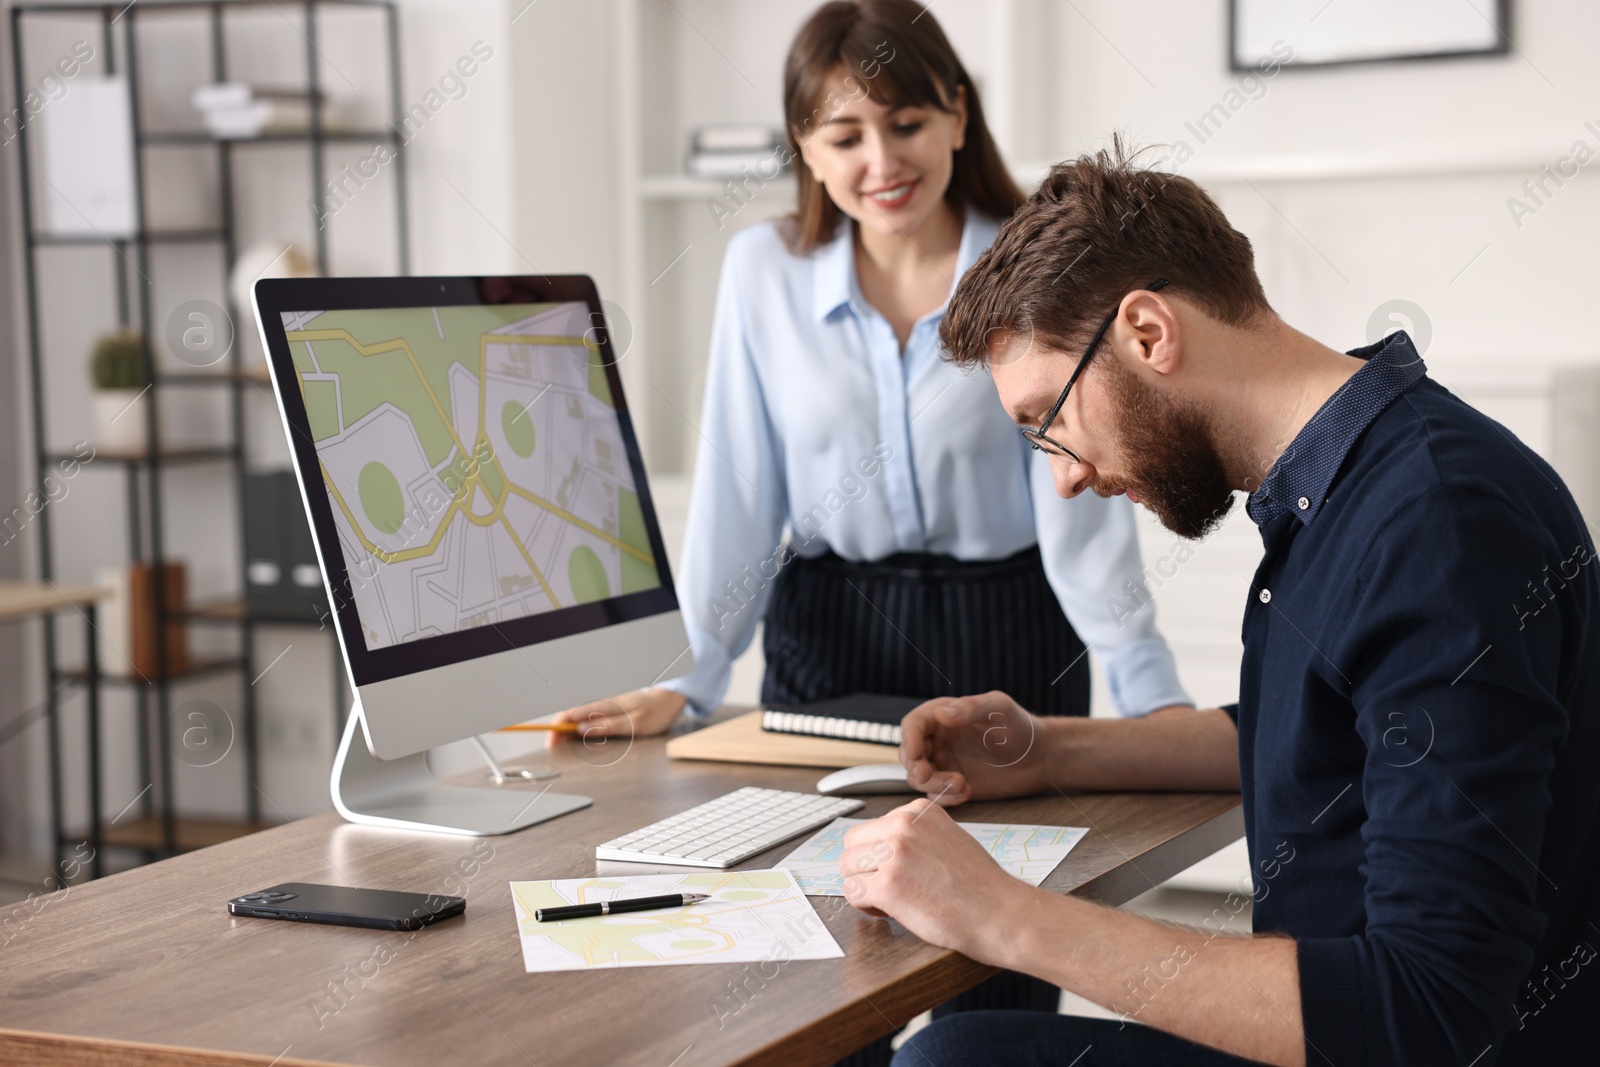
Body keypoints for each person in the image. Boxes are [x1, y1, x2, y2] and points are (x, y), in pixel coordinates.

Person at [835, 138, 1600, 1067]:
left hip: (1395, 1037)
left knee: (949, 1061)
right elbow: (1335, 731)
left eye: (1052, 425)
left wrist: (1001, 915)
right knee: (961, 1045)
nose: (1066, 481)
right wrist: (1049, 749)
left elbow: (1430, 1008)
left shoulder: (1437, 526)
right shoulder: (1351, 482)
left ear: (1149, 332)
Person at [550, 4, 1195, 1063]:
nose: (879, 160)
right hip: (827, 642)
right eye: (842, 136)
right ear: (804, 148)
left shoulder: (1033, 270)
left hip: (1010, 642)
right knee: (821, 979)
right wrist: (695, 673)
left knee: (994, 989)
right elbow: (738, 489)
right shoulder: (761, 274)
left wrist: (1149, 693)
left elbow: (1076, 507)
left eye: (902, 122)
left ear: (955, 113)